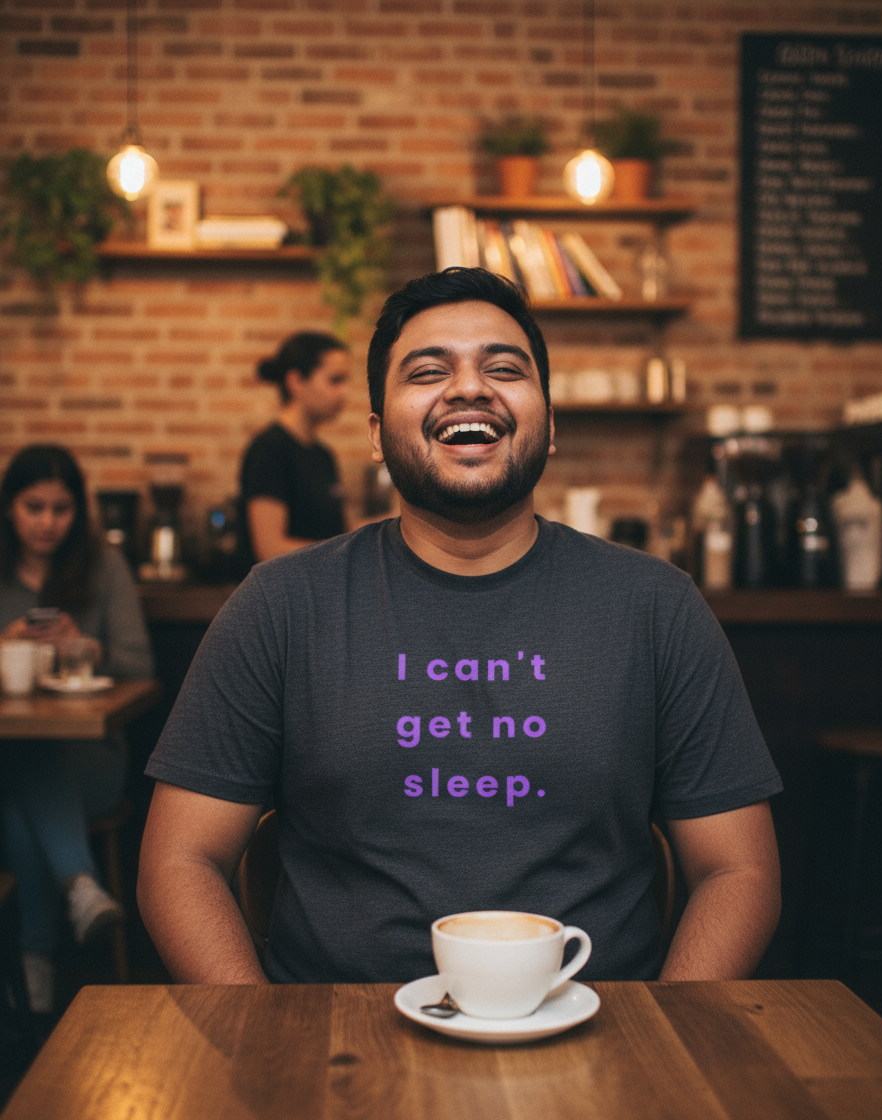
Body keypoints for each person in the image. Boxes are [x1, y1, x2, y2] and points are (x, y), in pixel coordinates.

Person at [139, 268, 782, 987]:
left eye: (504, 368)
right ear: (378, 438)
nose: (470, 387)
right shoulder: (282, 605)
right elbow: (179, 863)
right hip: (333, 1052)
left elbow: (739, 870)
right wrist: (268, 1042)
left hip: (604, 1048)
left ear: (550, 425)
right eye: (427, 371)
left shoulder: (657, 606)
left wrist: (667, 1044)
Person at [0, 444, 154, 1012]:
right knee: (22, 767)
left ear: (78, 509)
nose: (46, 522)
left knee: (27, 767)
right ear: (9, 507)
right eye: (33, 507)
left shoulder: (101, 565)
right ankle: (80, 887)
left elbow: (139, 664)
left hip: (93, 764)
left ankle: (34, 961)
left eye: (61, 508)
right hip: (16, 759)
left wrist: (79, 647)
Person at [237, 331, 351, 570]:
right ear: (296, 381)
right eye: (335, 380)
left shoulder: (323, 455)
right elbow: (269, 548)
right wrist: (345, 553)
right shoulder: (270, 449)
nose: (345, 393)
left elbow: (341, 533)